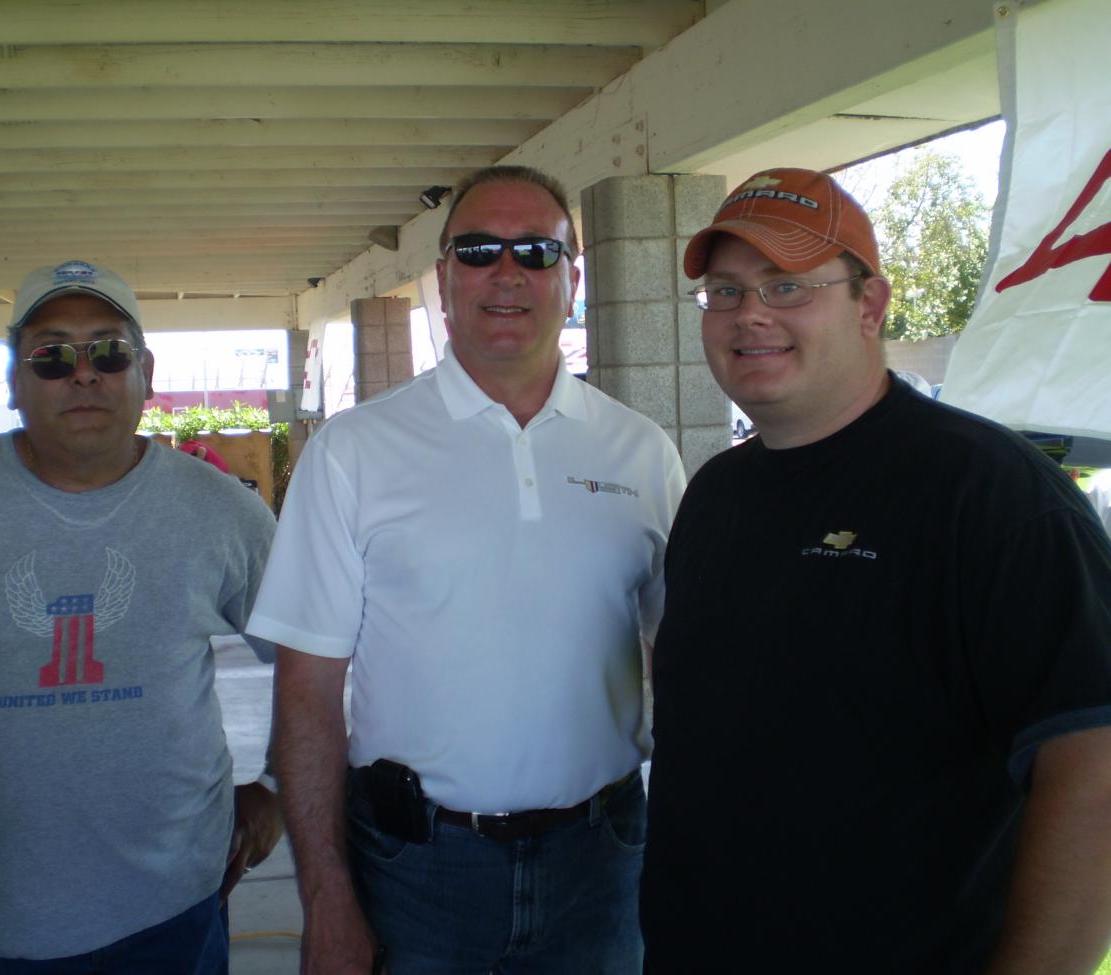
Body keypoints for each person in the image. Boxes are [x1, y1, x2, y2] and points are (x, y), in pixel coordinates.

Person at [641, 168, 1111, 974]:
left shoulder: (992, 495)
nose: (751, 313)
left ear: (870, 304)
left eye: (788, 285)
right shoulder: (716, 492)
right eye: (725, 292)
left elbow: (1093, 771)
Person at [246, 165, 685, 973]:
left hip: (604, 863)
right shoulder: (354, 451)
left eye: (536, 251)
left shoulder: (642, 451)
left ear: (573, 279)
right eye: (479, 250)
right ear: (443, 277)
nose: (507, 272)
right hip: (415, 872)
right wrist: (326, 895)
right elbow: (307, 691)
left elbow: (688, 661)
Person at [0, 259, 283, 972]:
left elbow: (312, 654)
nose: (84, 374)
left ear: (145, 372)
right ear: (15, 382)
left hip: (180, 906)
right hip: (0, 918)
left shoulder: (221, 510)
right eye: (53, 355)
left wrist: (275, 786)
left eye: (109, 351)